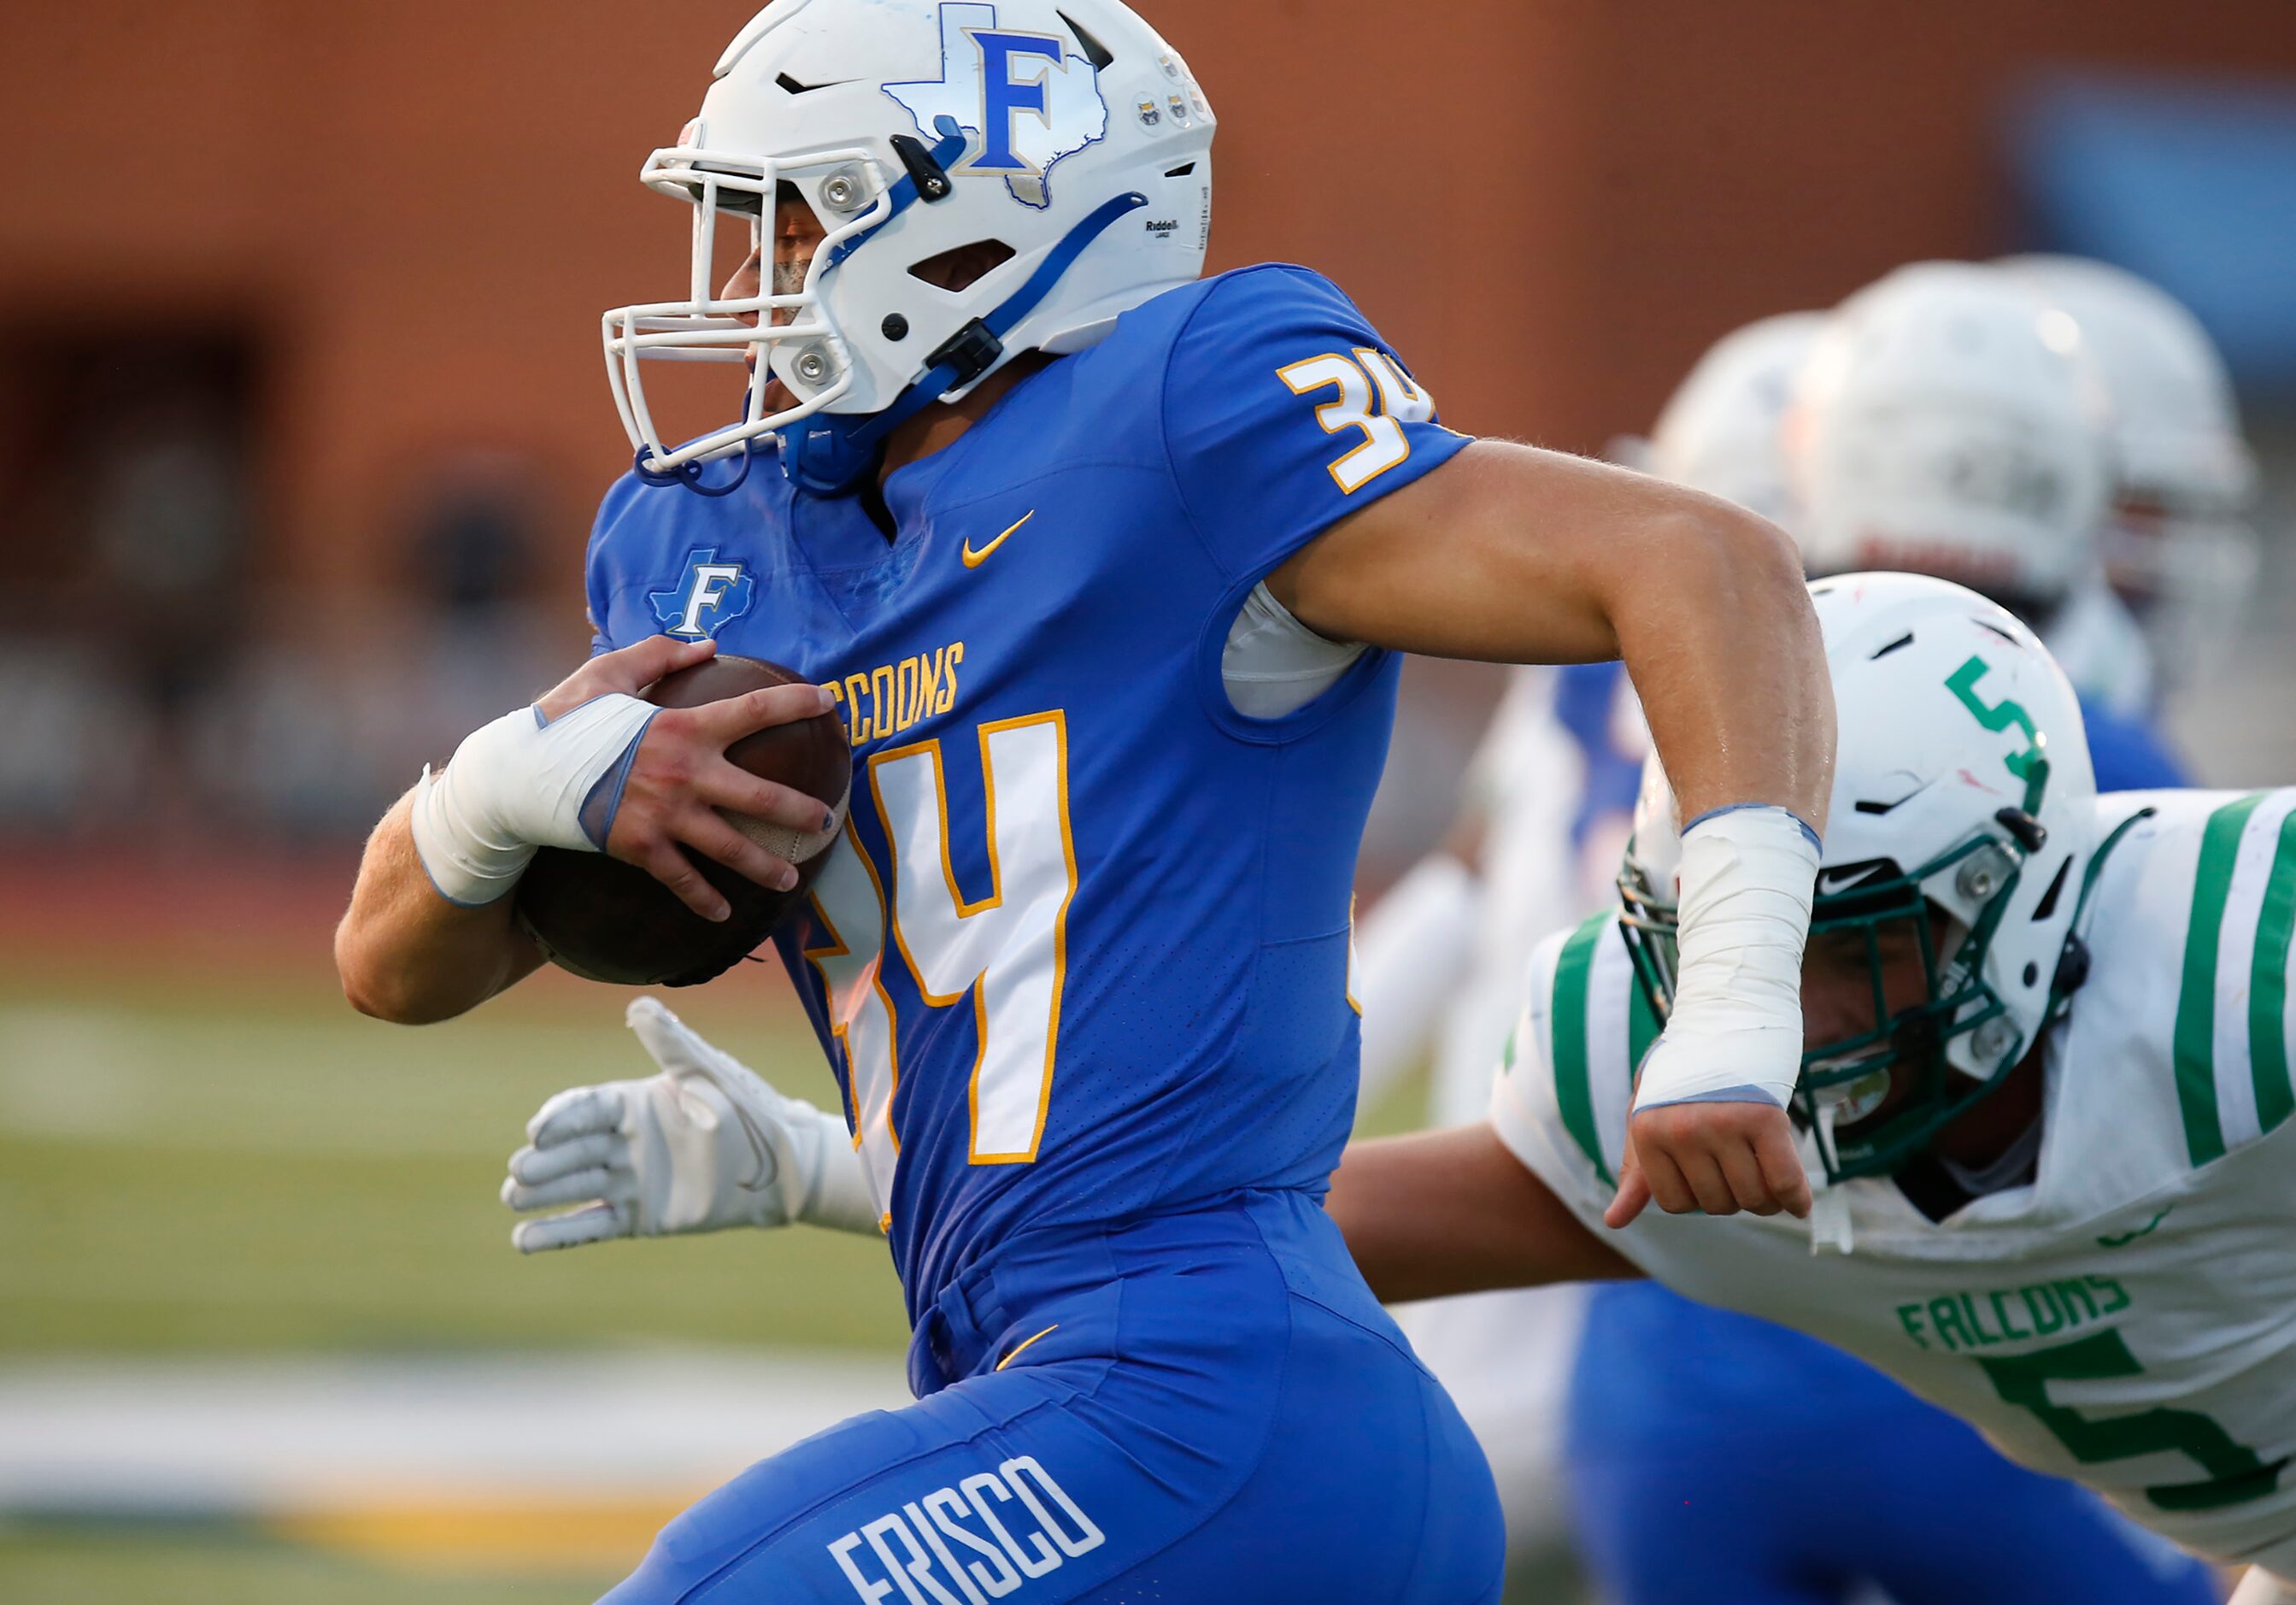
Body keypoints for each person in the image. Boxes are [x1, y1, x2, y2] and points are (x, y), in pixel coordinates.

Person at [335, 1, 1835, 1599]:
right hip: (1067, 1391)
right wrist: (496, 793)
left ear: (990, 221)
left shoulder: (1186, 414)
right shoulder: (719, 548)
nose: (756, 279)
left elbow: (1700, 558)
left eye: (803, 217)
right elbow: (393, 965)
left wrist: (1735, 1001)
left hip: (1216, 1400)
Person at [1329, 570, 2296, 1599]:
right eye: (1718, 946)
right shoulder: (1627, 1075)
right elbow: (1251, 1237)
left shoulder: (2240, 974)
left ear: (2011, 902)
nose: (1773, 1027)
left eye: (1848, 950)